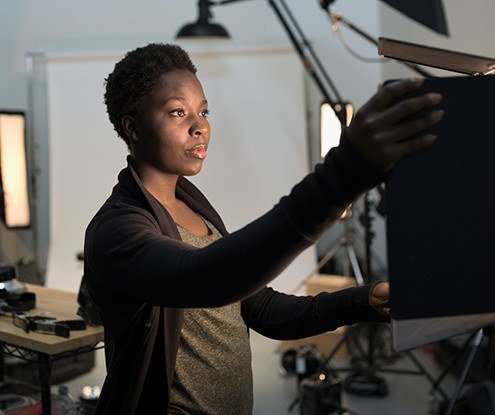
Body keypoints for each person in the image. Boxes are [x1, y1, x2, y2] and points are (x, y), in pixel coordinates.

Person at [83, 43, 443, 414]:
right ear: (133, 127)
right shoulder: (116, 231)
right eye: (178, 112)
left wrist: (361, 301)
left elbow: (261, 309)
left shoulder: (193, 207)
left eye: (203, 111)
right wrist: (343, 176)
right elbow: (208, 279)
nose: (199, 126)